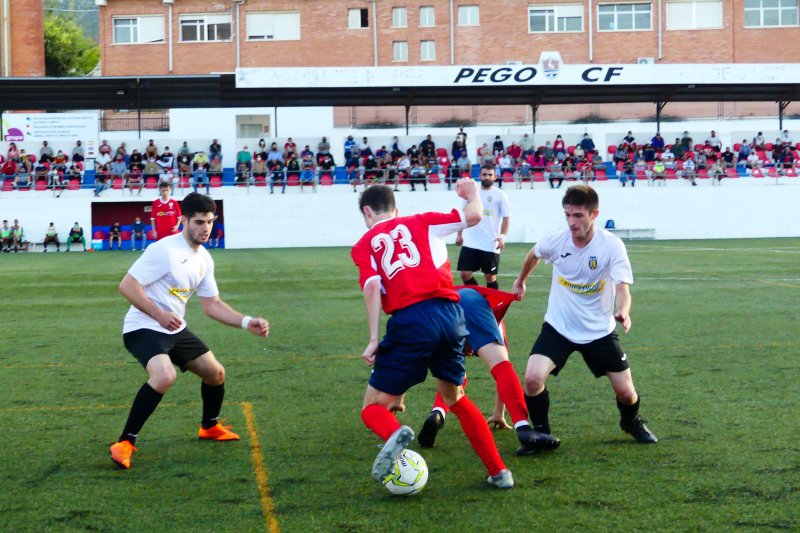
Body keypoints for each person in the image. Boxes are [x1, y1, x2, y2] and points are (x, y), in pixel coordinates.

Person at [351, 180, 514, 489]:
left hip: (411, 320)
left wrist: (373, 338)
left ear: (367, 212)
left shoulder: (363, 244)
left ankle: (394, 434)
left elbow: (372, 287)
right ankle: (499, 472)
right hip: (451, 316)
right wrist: (472, 194)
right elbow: (474, 216)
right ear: (396, 209)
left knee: (372, 407)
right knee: (455, 397)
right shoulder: (423, 221)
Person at [109, 193, 270, 470]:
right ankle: (125, 442)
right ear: (183, 220)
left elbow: (212, 305)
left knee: (216, 373)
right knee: (164, 375)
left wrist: (246, 321)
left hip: (174, 328)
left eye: (209, 221)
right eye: (198, 222)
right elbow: (127, 285)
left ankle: (209, 426)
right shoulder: (164, 250)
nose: (205, 228)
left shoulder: (204, 259)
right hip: (143, 327)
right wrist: (158, 313)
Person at [511, 186, 657, 450]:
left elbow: (623, 287)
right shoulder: (556, 241)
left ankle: (630, 421)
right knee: (532, 378)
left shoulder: (611, 245)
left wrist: (623, 311)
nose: (571, 222)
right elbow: (534, 254)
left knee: (626, 392)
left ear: (594, 214)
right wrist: (521, 281)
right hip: (559, 326)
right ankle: (541, 433)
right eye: (567, 215)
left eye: (578, 215)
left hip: (599, 330)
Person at [417, 286, 560, 455]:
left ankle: (438, 412)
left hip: (440, 307)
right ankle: (523, 428)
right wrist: (499, 413)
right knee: (501, 365)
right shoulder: (490, 320)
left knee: (453, 373)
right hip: (469, 302)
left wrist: (498, 414)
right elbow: (502, 371)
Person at [456, 165, 510, 289]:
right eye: (484, 174)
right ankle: (478, 297)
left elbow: (507, 218)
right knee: (465, 274)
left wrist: (502, 236)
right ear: (480, 176)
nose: (487, 177)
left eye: (490, 175)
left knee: (490, 276)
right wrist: (459, 234)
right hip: (471, 241)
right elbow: (462, 214)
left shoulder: (500, 195)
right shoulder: (472, 193)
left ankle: (491, 305)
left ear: (495, 177)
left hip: (490, 242)